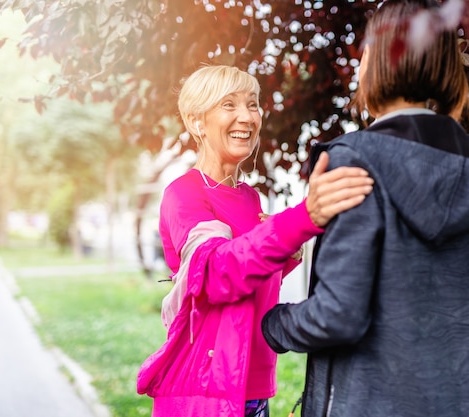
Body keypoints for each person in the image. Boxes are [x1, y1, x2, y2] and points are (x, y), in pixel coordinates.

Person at [261, 1, 469, 416]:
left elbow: (337, 315)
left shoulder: (354, 160)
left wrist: (273, 323)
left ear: (383, 61)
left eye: (366, 51)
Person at [136, 65, 374, 417]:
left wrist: (288, 253)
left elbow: (250, 279)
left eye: (252, 104)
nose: (247, 116)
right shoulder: (184, 194)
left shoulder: (250, 198)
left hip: (253, 386)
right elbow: (217, 273)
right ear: (196, 121)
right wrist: (304, 218)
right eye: (229, 105)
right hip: (206, 391)